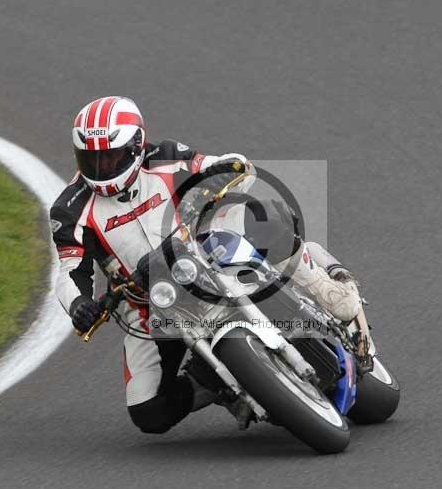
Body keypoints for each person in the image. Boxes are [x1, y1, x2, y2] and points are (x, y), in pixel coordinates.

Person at [50, 96, 361, 434]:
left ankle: (325, 288)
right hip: (152, 303)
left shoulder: (166, 157)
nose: (102, 166)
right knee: (148, 411)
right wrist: (79, 304)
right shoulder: (69, 208)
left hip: (208, 253)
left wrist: (219, 175)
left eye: (110, 155)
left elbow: (229, 166)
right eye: (92, 158)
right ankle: (216, 382)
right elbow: (70, 270)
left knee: (264, 216)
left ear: (136, 145)